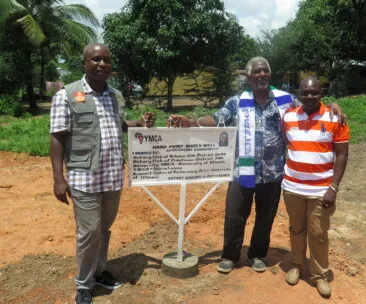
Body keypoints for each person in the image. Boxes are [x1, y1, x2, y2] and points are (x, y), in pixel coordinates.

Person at [167, 57, 344, 275]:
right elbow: (217, 119)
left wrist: (333, 105)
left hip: (273, 173)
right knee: (234, 216)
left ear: (269, 75)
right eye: (257, 72)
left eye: (265, 71)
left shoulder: (285, 100)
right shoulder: (237, 101)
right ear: (249, 77)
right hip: (242, 172)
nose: (261, 75)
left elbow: (312, 105)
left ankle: (257, 254)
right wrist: (191, 122)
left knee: (265, 218)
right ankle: (230, 256)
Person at [50, 43, 153, 304]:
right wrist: (59, 178)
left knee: (104, 228)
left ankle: (98, 270)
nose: (102, 64)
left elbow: (118, 125)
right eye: (96, 59)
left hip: (112, 176)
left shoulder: (115, 95)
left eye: (106, 60)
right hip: (84, 175)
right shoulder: (67, 95)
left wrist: (139, 124)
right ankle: (84, 284)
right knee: (89, 231)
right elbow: (58, 137)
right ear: (84, 62)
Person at [281, 76, 349, 298]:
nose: (310, 96)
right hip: (292, 187)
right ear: (298, 93)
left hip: (321, 189)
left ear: (322, 93)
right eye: (305, 92)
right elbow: (286, 145)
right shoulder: (288, 116)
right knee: (296, 229)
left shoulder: (334, 117)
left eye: (315, 92)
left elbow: (341, 155)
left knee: (318, 233)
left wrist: (334, 187)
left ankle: (319, 275)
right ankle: (297, 266)